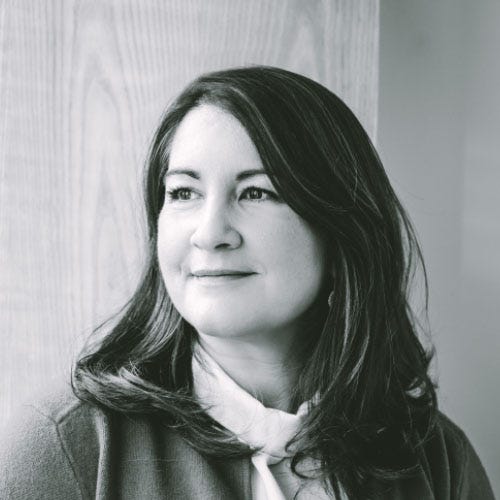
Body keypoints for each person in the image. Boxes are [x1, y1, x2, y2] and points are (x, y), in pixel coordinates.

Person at [0, 66, 494, 500]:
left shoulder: (436, 458)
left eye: (256, 192)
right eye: (183, 192)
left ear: (341, 231)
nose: (210, 233)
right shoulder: (68, 446)